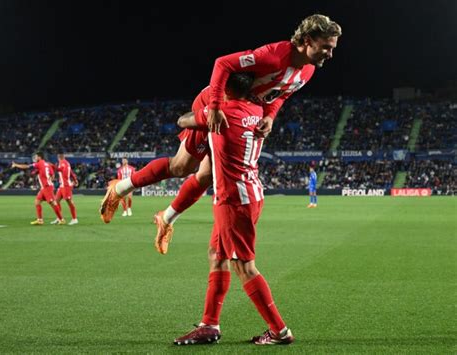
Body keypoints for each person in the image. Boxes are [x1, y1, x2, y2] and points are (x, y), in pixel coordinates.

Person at [100, 14, 341, 251]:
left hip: (238, 112)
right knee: (182, 167)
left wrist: (269, 116)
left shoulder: (307, 70)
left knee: (207, 176)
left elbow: (282, 94)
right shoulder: (274, 56)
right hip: (215, 105)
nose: (330, 54)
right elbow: (222, 63)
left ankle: (166, 219)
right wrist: (214, 107)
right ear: (308, 40)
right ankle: (119, 189)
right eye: (326, 47)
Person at [174, 72, 293, 346]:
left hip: (233, 200)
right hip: (249, 191)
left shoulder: (222, 112)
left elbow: (183, 120)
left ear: (224, 90)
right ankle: (209, 325)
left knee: (244, 266)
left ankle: (279, 331)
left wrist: (209, 106)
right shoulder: (257, 109)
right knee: (217, 255)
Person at [11, 152, 66, 225]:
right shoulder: (47, 164)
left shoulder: (39, 163)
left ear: (40, 157)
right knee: (37, 201)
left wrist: (16, 165)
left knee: (52, 203)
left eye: (36, 156)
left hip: (47, 187)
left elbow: (27, 166)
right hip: (45, 187)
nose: (35, 158)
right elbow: (52, 175)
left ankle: (61, 219)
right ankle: (40, 220)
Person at [51, 153, 79, 225]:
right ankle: (59, 218)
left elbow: (64, 171)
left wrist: (53, 166)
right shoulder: (63, 163)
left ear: (59, 157)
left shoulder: (64, 163)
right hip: (62, 185)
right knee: (56, 201)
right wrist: (75, 179)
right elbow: (71, 172)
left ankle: (74, 219)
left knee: (69, 201)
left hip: (66, 185)